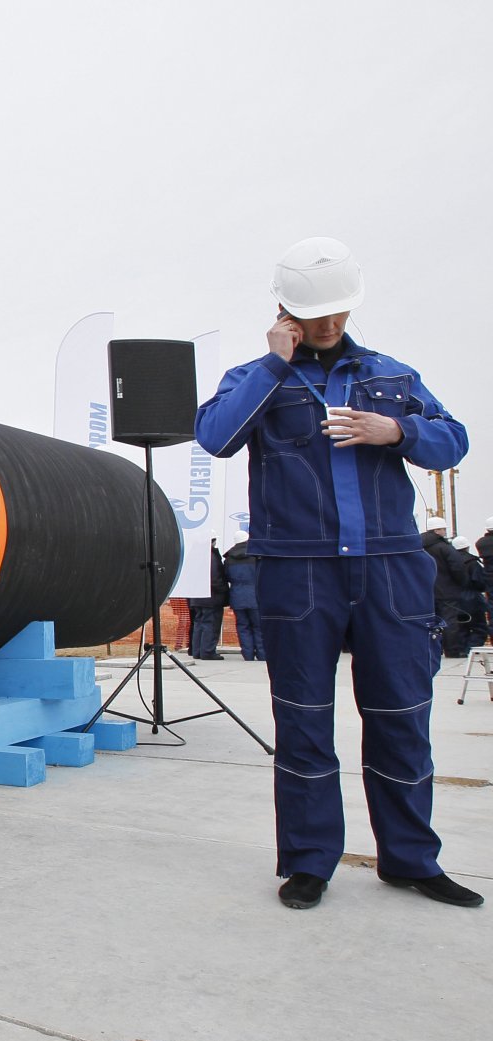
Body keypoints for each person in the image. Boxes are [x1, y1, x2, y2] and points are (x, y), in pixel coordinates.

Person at [195, 236, 481, 910]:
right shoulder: (257, 377)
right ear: (285, 309)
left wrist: (397, 433)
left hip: (390, 569)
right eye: (314, 315)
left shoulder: (394, 377)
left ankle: (410, 859)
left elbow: (454, 439)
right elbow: (216, 436)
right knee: (303, 719)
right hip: (298, 574)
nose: (328, 326)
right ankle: (309, 861)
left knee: (401, 716)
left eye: (337, 314)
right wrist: (274, 363)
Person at [422, 518, 471, 658]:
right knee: (449, 621)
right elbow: (458, 568)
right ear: (437, 530)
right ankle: (453, 650)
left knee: (429, 621)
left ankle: (433, 649)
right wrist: (462, 583)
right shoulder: (444, 548)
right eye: (443, 529)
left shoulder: (419, 546)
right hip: (446, 591)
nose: (445, 532)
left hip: (425, 591)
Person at [222, 529, 263, 660]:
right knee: (258, 626)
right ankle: (262, 654)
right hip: (255, 596)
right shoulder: (255, 556)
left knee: (242, 626)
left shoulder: (229, 558)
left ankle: (248, 654)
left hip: (237, 596)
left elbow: (226, 577)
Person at [187, 538, 227, 660]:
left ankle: (197, 651)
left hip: (196, 596)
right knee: (210, 623)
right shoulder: (210, 557)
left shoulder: (194, 556)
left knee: (199, 623)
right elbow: (214, 579)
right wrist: (223, 591)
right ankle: (207, 651)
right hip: (210, 597)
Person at [453, 536, 488, 651]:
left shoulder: (450, 562)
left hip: (454, 600)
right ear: (467, 547)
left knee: (461, 627)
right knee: (479, 626)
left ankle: (462, 649)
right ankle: (473, 648)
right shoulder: (472, 563)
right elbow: (479, 581)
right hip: (473, 599)